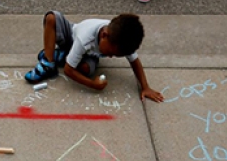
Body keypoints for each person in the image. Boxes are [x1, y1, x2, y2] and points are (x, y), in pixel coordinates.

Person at [25, 11, 164, 102]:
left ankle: (62, 56)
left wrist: (145, 87)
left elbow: (135, 61)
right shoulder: (85, 38)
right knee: (52, 17)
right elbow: (68, 71)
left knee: (86, 69)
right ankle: (49, 62)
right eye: (110, 53)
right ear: (104, 36)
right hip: (71, 39)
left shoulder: (121, 39)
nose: (109, 57)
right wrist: (92, 85)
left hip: (89, 54)